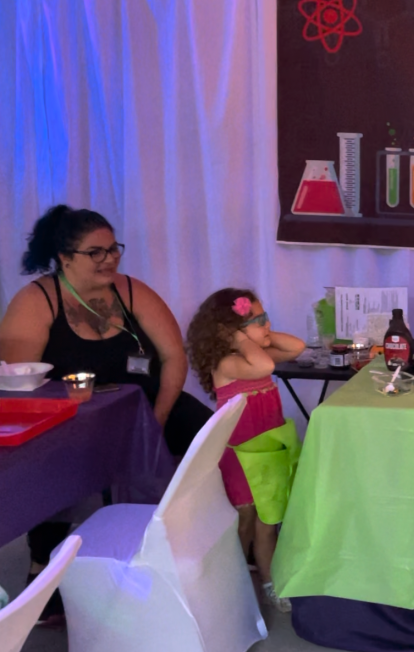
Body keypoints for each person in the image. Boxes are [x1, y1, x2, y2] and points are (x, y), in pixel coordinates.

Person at [0, 204, 213, 622]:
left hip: (149, 406)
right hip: (75, 421)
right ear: (65, 257)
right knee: (51, 468)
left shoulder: (132, 291)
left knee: (208, 439)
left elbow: (173, 358)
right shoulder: (36, 301)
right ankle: (45, 568)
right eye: (95, 252)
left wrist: (159, 417)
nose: (110, 258)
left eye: (114, 248)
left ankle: (186, 548)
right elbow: (20, 383)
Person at [186, 289, 305, 612]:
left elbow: (297, 347)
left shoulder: (254, 358)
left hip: (268, 453)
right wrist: (240, 339)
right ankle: (230, 583)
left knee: (268, 519)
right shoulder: (228, 363)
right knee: (243, 520)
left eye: (267, 318)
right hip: (240, 456)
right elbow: (264, 362)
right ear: (230, 332)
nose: (267, 325)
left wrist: (261, 332)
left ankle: (270, 581)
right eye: (259, 320)